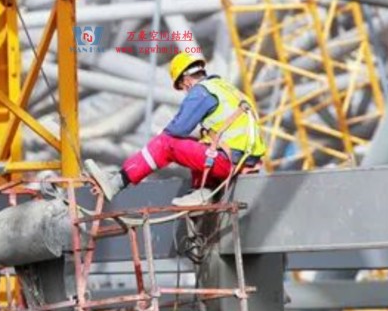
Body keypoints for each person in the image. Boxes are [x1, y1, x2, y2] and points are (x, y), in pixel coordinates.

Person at [86, 53, 265, 206]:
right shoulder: (229, 90)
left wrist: (157, 142)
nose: (184, 91)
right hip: (244, 162)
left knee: (166, 143)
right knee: (201, 143)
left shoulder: (202, 91)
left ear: (186, 80)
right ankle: (203, 191)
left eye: (181, 87)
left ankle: (117, 182)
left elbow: (178, 130)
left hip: (227, 163)